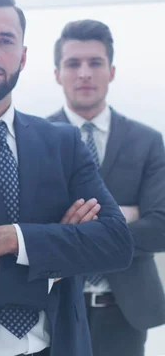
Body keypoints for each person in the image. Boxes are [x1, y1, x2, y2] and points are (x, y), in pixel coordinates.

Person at [0, 0, 134, 356]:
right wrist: (53, 263)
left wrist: (14, 238)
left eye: (6, 40)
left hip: (62, 346)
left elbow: (115, 243)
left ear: (24, 55)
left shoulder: (63, 142)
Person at [48, 19, 165, 356]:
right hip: (56, 310)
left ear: (111, 71)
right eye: (73, 63)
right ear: (58, 74)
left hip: (126, 312)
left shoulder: (147, 141)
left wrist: (74, 230)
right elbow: (33, 226)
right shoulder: (36, 139)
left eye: (95, 63)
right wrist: (121, 218)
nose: (84, 73)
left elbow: (160, 228)